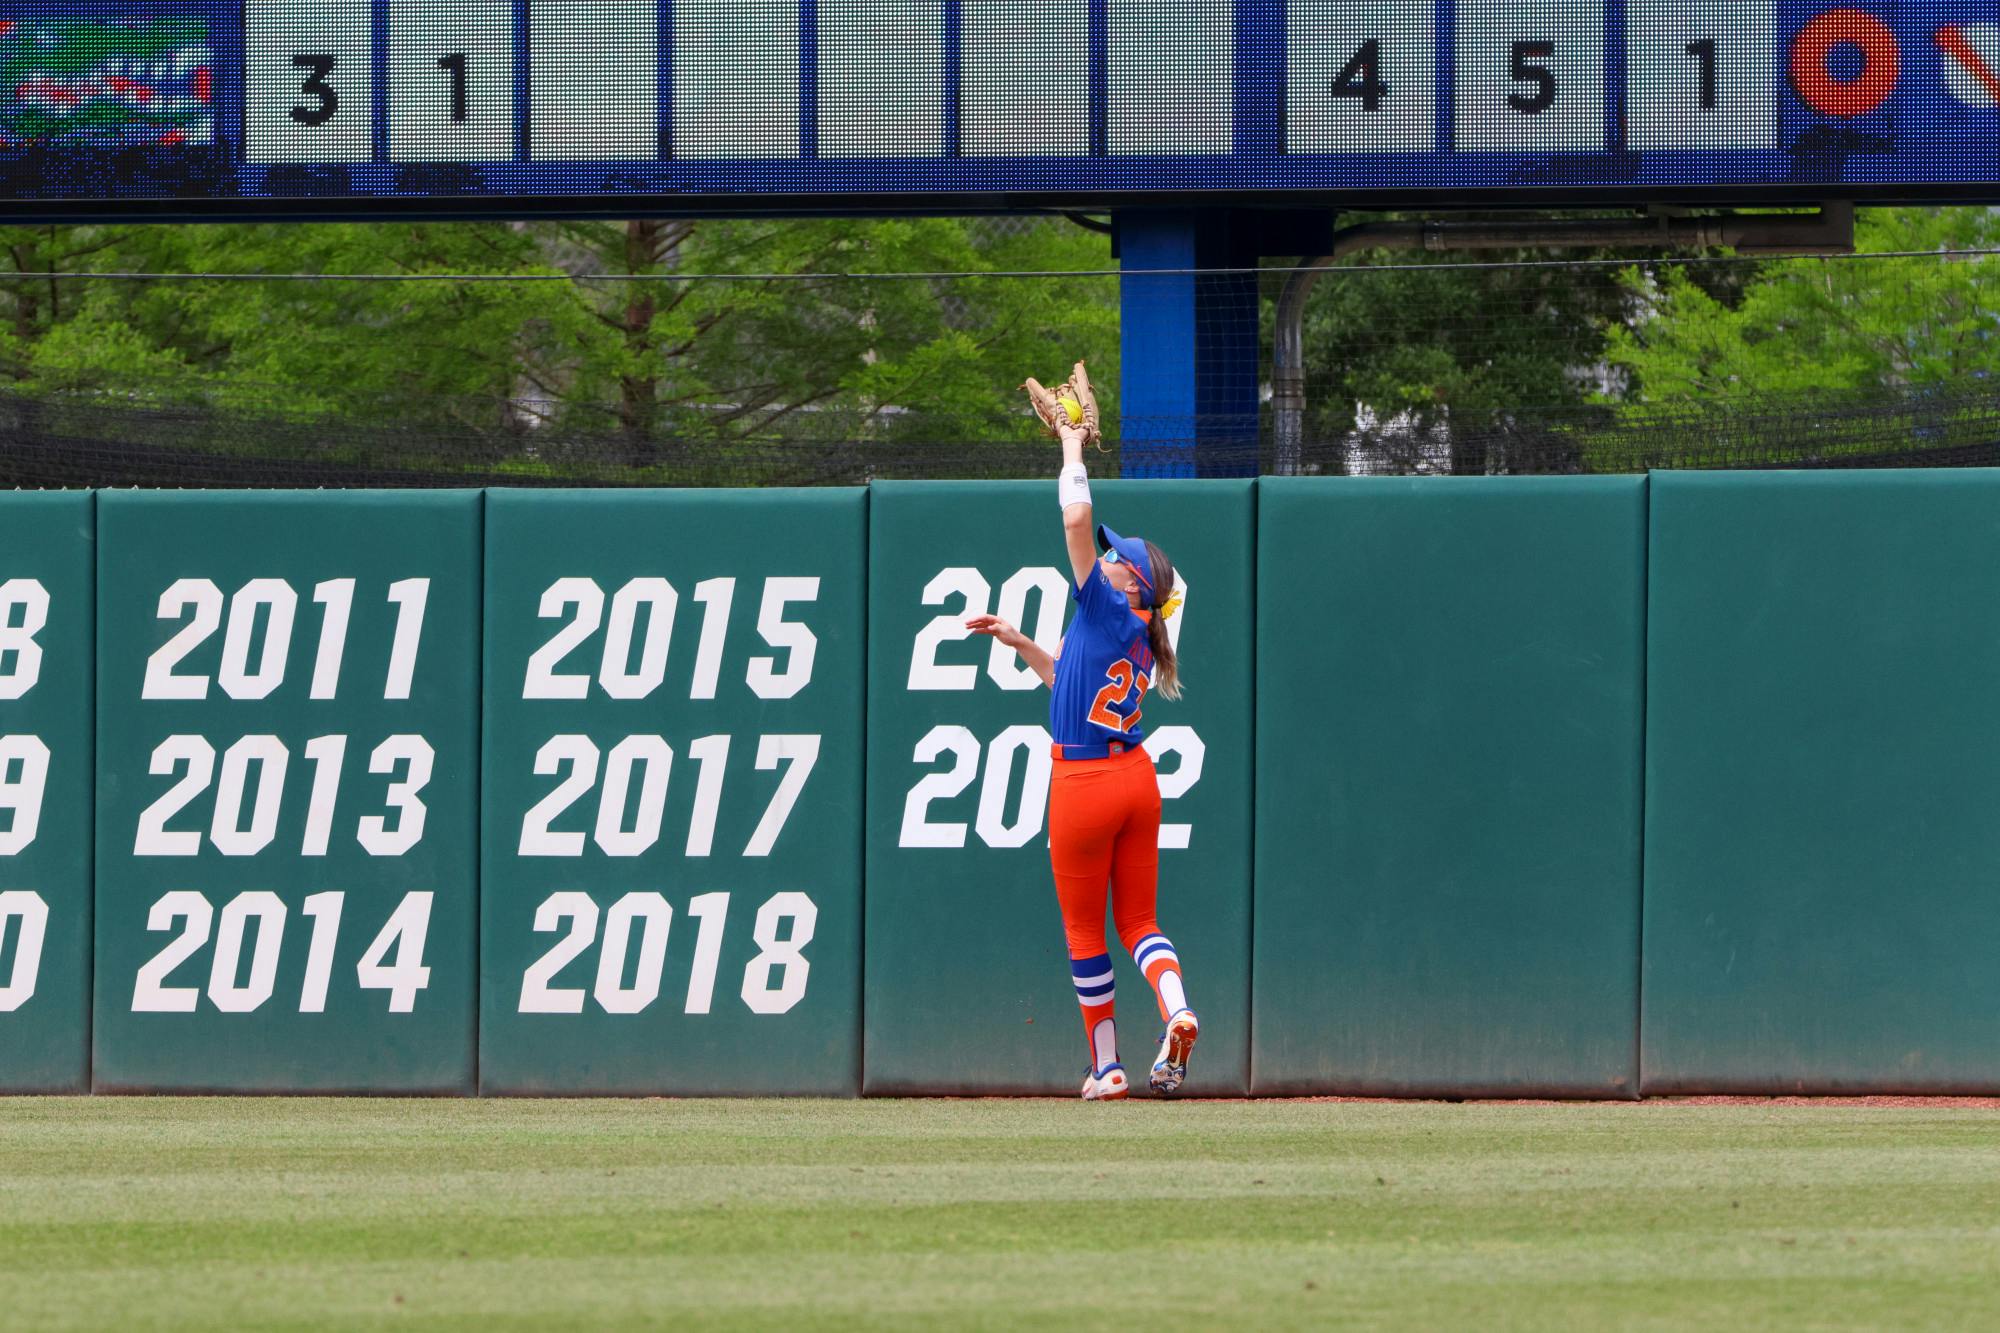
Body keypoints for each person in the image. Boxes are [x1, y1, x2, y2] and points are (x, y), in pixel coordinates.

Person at [967, 363, 1197, 1101]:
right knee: (1140, 921)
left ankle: (1108, 1066)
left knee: (1085, 932)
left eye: (1115, 556)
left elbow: (1073, 520)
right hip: (1137, 777)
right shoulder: (1138, 625)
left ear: (1129, 581)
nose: (1102, 553)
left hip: (1084, 782)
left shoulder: (1105, 600)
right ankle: (1178, 1008)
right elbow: (1069, 676)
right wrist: (1022, 644)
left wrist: (1069, 446)